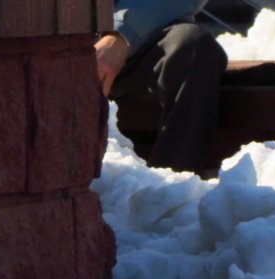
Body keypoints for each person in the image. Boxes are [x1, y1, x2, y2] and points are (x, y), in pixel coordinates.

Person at [95, 0, 228, 175]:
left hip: (143, 41)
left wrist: (122, 35)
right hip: (62, 37)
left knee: (193, 45)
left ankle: (171, 185)